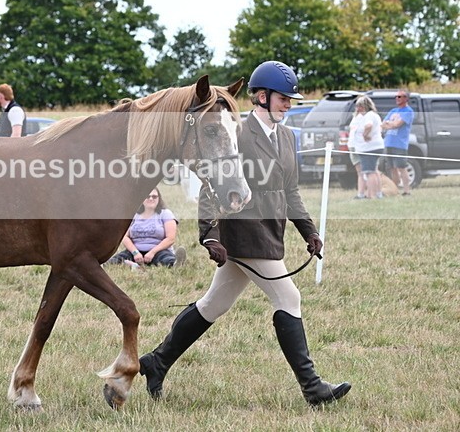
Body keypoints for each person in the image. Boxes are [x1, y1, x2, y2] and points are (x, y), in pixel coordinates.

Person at [139, 61, 351, 406]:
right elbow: (213, 182)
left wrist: (308, 231)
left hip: (272, 231)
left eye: (290, 99)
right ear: (262, 97)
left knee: (213, 304)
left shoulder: (287, 136)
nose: (288, 103)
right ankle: (313, 388)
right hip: (243, 232)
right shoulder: (236, 133)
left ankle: (156, 362)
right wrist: (208, 233)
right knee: (288, 298)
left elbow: (291, 191)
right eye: (283, 98)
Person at [107, 188, 186, 268]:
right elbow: (124, 236)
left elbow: (170, 239)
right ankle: (132, 265)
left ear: (159, 198)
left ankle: (175, 264)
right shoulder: (133, 215)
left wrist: (152, 252)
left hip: (159, 251)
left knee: (166, 259)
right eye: (147, 196)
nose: (151, 199)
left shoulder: (166, 214)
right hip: (135, 251)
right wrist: (135, 252)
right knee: (115, 261)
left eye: (154, 197)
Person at [381, 89, 414, 196]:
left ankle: (407, 191)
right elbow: (383, 124)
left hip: (400, 144)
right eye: (396, 96)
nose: (397, 98)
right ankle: (395, 190)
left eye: (400, 96)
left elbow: (397, 125)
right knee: (392, 168)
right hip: (388, 142)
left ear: (406, 98)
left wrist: (390, 124)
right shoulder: (393, 111)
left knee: (401, 167)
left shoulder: (408, 111)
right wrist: (390, 124)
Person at [352, 95, 385, 199]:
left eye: (360, 106)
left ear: (365, 106)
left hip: (369, 147)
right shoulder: (374, 115)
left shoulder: (369, 115)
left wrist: (365, 135)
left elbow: (369, 126)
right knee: (374, 170)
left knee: (369, 172)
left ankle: (372, 195)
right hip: (375, 146)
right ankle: (378, 194)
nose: (358, 109)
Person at [348, 103, 367, 199]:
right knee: (359, 172)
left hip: (360, 147)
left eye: (361, 106)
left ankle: (363, 193)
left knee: (363, 171)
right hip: (352, 146)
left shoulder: (365, 117)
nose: (358, 108)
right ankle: (361, 193)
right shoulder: (355, 117)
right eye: (357, 106)